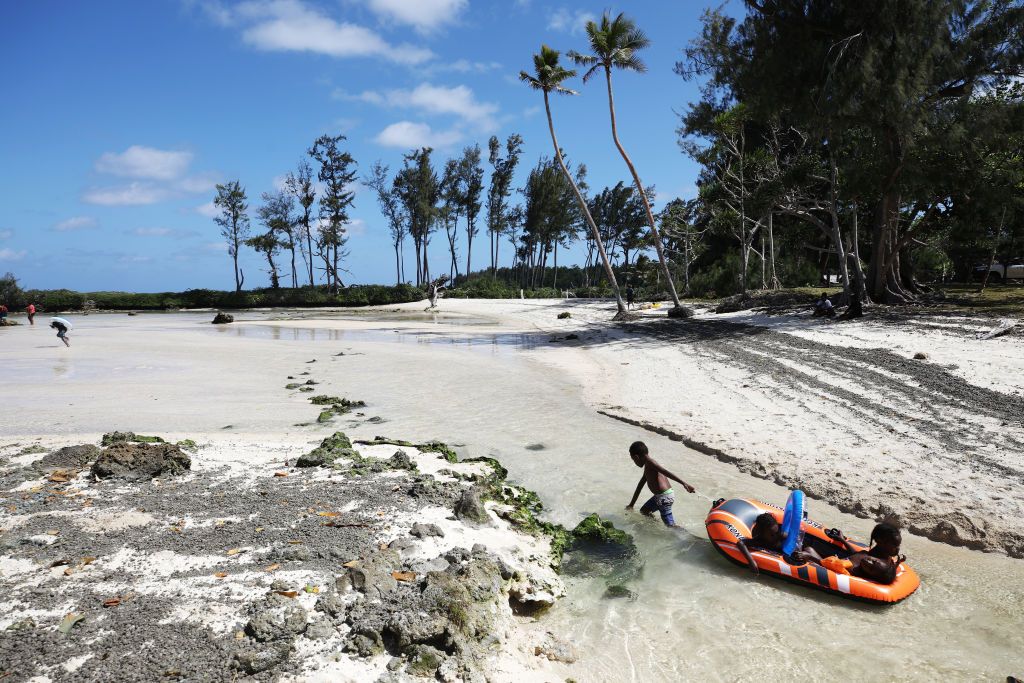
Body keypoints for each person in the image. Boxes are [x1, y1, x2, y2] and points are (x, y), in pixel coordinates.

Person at [625, 441, 695, 528]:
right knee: (644, 511)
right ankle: (657, 525)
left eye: (633, 460)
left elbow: (665, 471)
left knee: (671, 527)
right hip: (662, 496)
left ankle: (693, 540)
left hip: (664, 498)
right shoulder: (648, 465)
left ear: (636, 457)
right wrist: (631, 504)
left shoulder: (651, 463)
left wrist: (684, 483)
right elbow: (640, 485)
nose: (635, 462)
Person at [735, 512, 823, 575]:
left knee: (809, 550)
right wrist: (751, 561)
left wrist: (807, 555)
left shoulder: (780, 535)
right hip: (789, 561)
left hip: (798, 556)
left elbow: (797, 542)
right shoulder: (759, 541)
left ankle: (826, 564)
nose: (775, 536)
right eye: (772, 534)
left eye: (776, 532)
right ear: (762, 533)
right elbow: (741, 543)